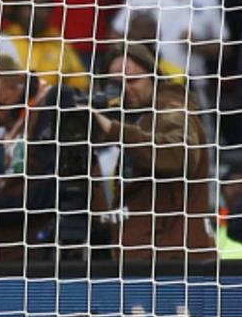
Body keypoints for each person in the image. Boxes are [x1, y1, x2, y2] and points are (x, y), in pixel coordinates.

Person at [91, 41, 214, 263]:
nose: (126, 89)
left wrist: (113, 130)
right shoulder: (136, 119)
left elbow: (179, 154)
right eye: (116, 83)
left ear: (153, 77)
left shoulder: (172, 111)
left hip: (173, 259)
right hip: (147, 255)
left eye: (133, 80)